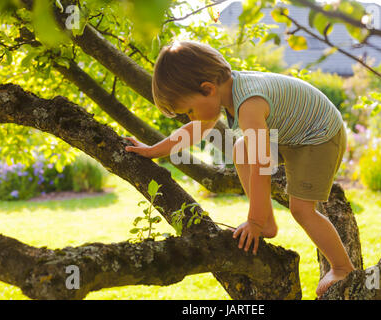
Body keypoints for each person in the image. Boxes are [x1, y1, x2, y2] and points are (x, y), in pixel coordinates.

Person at [124, 40, 355, 298]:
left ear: (208, 89)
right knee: (240, 148)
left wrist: (252, 220)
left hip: (319, 136)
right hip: (292, 137)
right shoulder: (226, 93)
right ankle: (267, 221)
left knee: (301, 209)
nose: (191, 117)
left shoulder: (249, 105)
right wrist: (154, 150)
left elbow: (261, 163)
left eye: (189, 110)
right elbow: (194, 131)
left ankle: (342, 267)